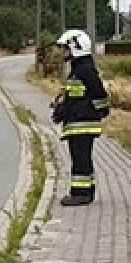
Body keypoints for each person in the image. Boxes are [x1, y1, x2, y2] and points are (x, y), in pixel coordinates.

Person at [50, 29, 111, 206]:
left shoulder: (85, 70)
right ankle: (86, 191)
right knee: (82, 158)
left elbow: (98, 94)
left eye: (65, 48)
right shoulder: (80, 69)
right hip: (79, 121)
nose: (62, 52)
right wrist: (62, 107)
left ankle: (80, 194)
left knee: (80, 159)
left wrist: (101, 110)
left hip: (82, 123)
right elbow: (77, 96)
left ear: (76, 47)